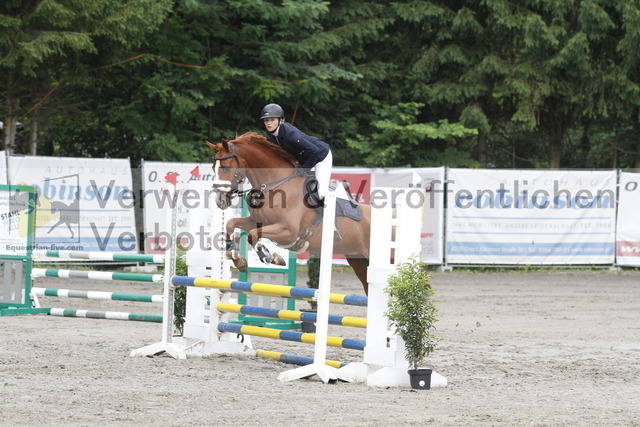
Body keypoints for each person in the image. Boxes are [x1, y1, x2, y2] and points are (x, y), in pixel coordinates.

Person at [260, 103, 332, 201]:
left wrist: (304, 169)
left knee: (321, 193)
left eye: (272, 120)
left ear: (280, 120)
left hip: (321, 156)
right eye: (266, 120)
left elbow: (315, 151)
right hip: (306, 158)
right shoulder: (271, 133)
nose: (269, 123)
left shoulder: (290, 134)